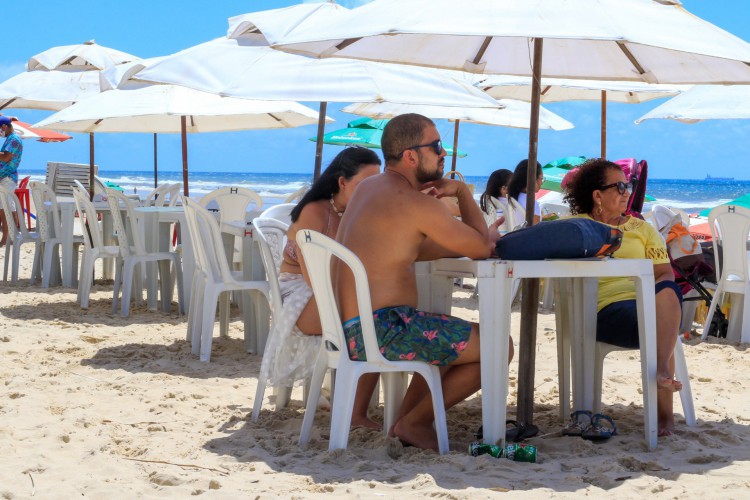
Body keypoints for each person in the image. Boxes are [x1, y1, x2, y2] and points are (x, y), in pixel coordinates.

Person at [335, 113, 511, 451]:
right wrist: (460, 192)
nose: (444, 154)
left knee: (445, 336)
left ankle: (405, 423)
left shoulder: (370, 189)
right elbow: (479, 248)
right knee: (499, 346)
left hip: (353, 328)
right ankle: (415, 422)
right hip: (385, 330)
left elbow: (419, 248)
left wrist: (473, 239)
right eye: (437, 147)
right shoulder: (415, 203)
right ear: (411, 155)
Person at [258, 147, 382, 430]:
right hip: (301, 296)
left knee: (383, 312)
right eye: (365, 184)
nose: (372, 191)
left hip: (334, 290)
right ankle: (356, 410)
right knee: (373, 315)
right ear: (342, 182)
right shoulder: (315, 211)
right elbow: (316, 278)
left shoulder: (362, 213)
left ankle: (355, 404)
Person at [563, 158, 683, 436]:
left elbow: (664, 272)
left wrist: (655, 290)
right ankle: (663, 381)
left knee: (668, 292)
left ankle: (664, 395)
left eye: (628, 185)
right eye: (619, 186)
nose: (627, 191)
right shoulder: (575, 227)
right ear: (597, 195)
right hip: (602, 310)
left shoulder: (643, 230)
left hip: (645, 304)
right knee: (659, 324)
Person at [0, 116, 23, 245]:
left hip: (7, 178)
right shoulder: (10, 138)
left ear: (4, 127)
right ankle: (13, 237)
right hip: (6, 177)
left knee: (5, 208)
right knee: (9, 207)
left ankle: (6, 239)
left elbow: (7, 157)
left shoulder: (14, 139)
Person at [507, 159, 543, 227]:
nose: (541, 183)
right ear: (533, 179)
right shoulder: (530, 203)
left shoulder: (514, 198)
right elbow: (535, 230)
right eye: (541, 178)